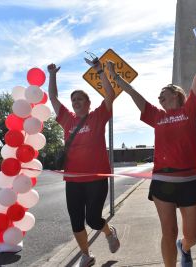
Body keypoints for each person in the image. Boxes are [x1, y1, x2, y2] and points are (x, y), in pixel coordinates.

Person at [107, 39, 196, 267]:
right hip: (163, 180)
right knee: (168, 231)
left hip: (191, 179)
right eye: (158, 96)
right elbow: (135, 96)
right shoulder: (157, 116)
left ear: (177, 95)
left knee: (192, 235)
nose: (159, 97)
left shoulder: (189, 109)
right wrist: (116, 79)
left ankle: (184, 248)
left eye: (163, 93)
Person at [47, 59, 120, 267]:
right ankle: (86, 255)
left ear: (88, 103)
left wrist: (99, 71)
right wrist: (52, 75)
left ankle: (108, 231)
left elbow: (110, 95)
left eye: (80, 99)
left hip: (96, 179)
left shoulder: (97, 117)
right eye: (74, 100)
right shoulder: (67, 120)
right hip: (73, 179)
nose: (76, 102)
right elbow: (52, 97)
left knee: (93, 220)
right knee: (76, 221)